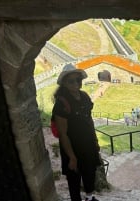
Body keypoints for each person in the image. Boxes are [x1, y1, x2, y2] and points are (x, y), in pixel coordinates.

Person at [52, 63, 100, 201]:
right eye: (71, 81)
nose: (76, 83)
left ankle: (90, 197)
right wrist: (72, 157)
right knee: (74, 178)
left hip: (88, 144)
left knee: (90, 172)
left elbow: (89, 120)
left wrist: (95, 141)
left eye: (78, 80)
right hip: (72, 147)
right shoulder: (61, 104)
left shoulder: (84, 96)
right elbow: (63, 133)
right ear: (64, 84)